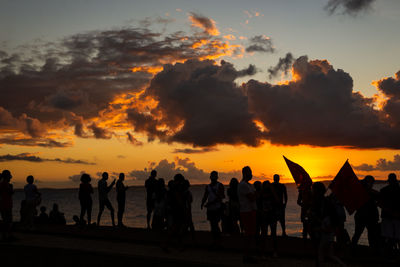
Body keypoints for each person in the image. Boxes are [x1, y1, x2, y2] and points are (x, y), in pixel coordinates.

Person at [351, 175, 379, 249]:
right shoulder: (364, 192)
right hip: (363, 216)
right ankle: (353, 248)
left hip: (367, 216)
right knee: (359, 233)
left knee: (370, 235)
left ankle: (371, 249)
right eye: (371, 182)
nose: (372, 184)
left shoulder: (366, 191)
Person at [238, 166, 258, 263]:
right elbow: (252, 197)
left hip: (251, 211)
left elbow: (254, 196)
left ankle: (248, 255)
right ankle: (246, 256)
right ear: (245, 173)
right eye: (250, 172)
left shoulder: (248, 185)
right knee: (248, 235)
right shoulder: (243, 185)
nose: (251, 174)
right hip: (246, 212)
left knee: (250, 235)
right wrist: (258, 193)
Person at [201, 171, 225, 245]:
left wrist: (209, 203)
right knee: (213, 224)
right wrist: (202, 203)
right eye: (212, 176)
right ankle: (215, 240)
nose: (213, 178)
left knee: (215, 224)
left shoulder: (220, 185)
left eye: (214, 176)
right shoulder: (208, 187)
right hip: (210, 209)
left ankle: (217, 240)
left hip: (217, 208)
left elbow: (221, 197)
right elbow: (205, 196)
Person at [379, 173, 400, 255]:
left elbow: (380, 203)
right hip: (394, 217)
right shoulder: (385, 190)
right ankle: (392, 253)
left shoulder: (383, 190)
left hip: (389, 216)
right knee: (395, 237)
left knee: (389, 236)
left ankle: (390, 253)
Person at [260, 180, 279, 257]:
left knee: (273, 234)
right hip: (265, 216)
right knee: (264, 234)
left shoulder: (272, 194)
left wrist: (272, 191)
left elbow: (277, 201)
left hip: (271, 216)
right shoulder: (262, 195)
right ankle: (263, 251)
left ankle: (273, 251)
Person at [0, 170, 14, 241]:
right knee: (7, 221)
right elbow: (11, 192)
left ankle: (6, 235)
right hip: (6, 205)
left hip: (4, 204)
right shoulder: (5, 184)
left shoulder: (2, 184)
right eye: (9, 177)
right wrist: (11, 187)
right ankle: (6, 236)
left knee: (6, 221)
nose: (10, 178)